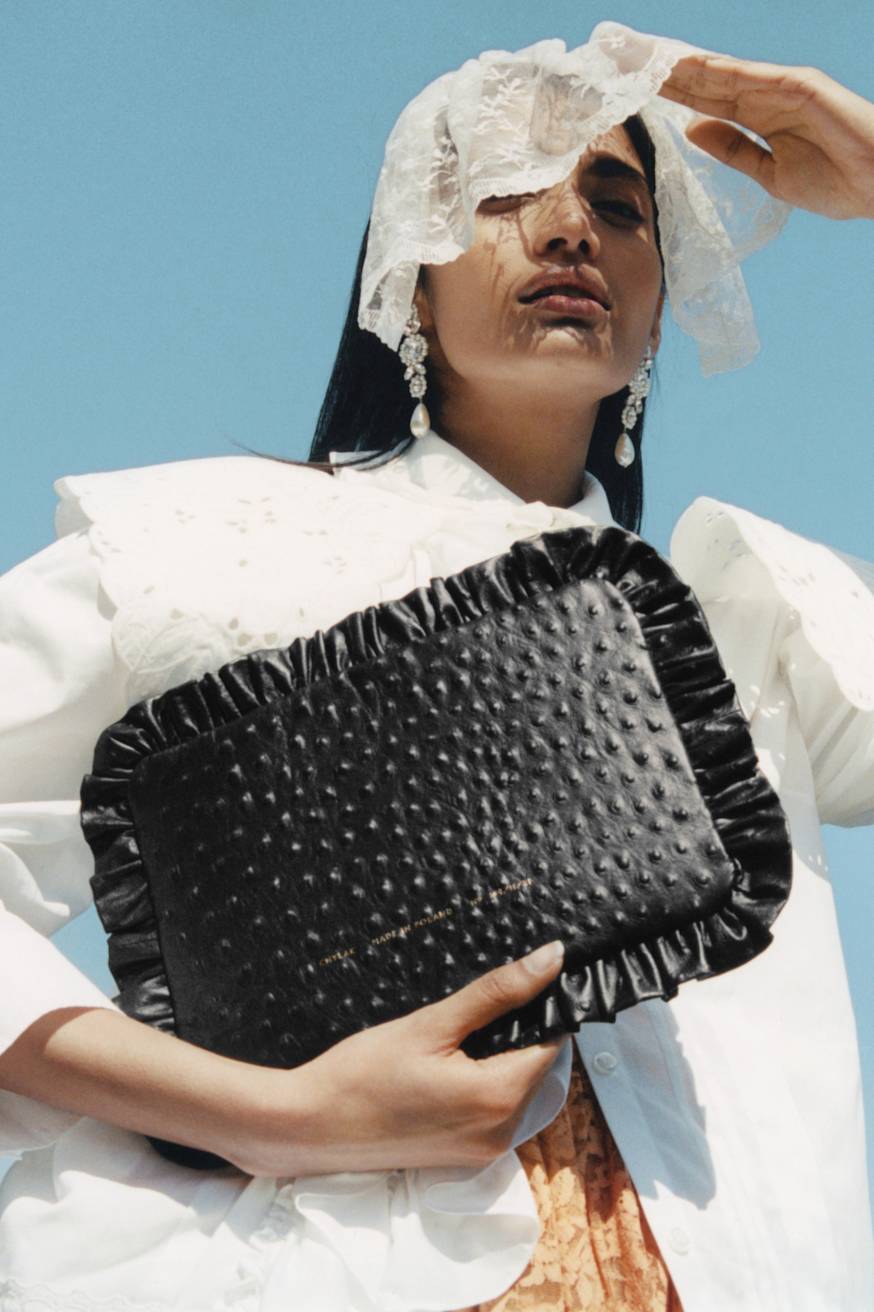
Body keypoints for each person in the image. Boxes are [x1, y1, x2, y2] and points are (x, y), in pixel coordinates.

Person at [0, 19, 873, 1312]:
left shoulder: (756, 625)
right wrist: (273, 1116)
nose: (568, 230)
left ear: (661, 296)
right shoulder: (200, 545)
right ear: (407, 278)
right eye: (502, 192)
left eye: (618, 205)